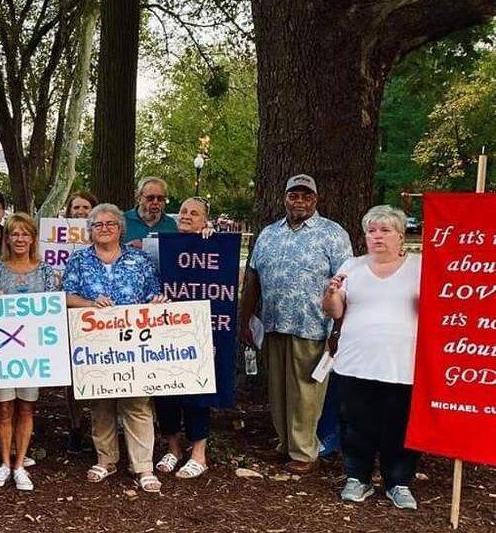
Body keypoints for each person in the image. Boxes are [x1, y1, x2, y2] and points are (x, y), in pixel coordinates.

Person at [240, 174, 352, 474]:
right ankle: (285, 443)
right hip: (274, 323)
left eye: (306, 196)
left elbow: (345, 284)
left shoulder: (332, 233)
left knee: (306, 392)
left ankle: (304, 452)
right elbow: (253, 278)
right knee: (278, 390)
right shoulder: (269, 234)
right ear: (285, 198)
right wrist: (245, 319)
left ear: (315, 199)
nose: (299, 201)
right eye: (293, 195)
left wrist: (339, 328)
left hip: (313, 325)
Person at [63, 203, 167, 493]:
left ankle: (143, 466)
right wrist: (89, 303)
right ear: (90, 230)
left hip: (134, 343)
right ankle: (106, 459)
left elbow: (153, 293)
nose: (105, 228)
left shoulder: (140, 259)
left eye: (110, 224)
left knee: (137, 402)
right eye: (98, 225)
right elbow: (67, 295)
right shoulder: (79, 260)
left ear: (120, 228)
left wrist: (157, 302)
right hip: (95, 343)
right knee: (101, 402)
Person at [322, 205, 421, 510]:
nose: (377, 236)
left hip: (403, 363)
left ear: (401, 235)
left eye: (385, 230)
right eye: (371, 231)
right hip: (356, 362)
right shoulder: (351, 266)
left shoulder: (420, 266)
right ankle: (357, 478)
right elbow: (335, 311)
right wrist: (331, 294)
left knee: (399, 425)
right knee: (356, 424)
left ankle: (398, 482)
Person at [0, 213, 59, 492]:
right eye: (14, 233)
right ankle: (5, 462)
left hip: (33, 351)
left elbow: (53, 309)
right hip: (2, 351)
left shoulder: (45, 271)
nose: (19, 239)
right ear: (7, 238)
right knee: (4, 407)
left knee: (27, 406)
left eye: (25, 234)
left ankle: (20, 465)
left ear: (33, 238)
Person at [153, 197, 221, 480]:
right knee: (165, 392)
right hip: (165, 329)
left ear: (205, 221)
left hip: (200, 331)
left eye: (195, 213)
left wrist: (212, 238)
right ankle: (173, 448)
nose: (187, 216)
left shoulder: (211, 244)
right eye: (183, 211)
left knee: (197, 393)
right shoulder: (160, 244)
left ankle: (198, 455)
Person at [63, 190, 97, 454]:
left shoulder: (103, 235)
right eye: (76, 208)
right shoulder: (55, 236)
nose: (81, 212)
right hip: (69, 313)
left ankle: (99, 427)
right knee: (73, 375)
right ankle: (75, 425)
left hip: (100, 317)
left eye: (86, 207)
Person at [124, 177, 178, 248]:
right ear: (138, 198)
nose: (155, 202)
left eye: (160, 198)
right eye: (150, 198)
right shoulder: (122, 221)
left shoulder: (171, 224)